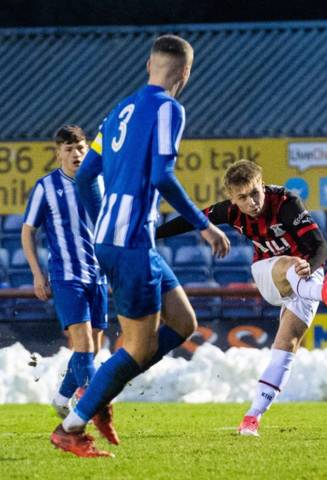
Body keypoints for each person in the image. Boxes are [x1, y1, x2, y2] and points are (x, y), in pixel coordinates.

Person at [50, 34, 230, 458]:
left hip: (122, 239)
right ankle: (72, 425)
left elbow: (85, 174)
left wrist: (104, 223)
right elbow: (162, 175)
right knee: (139, 348)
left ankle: (100, 389)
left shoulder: (117, 111)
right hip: (130, 242)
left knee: (183, 322)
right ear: (185, 72)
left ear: (149, 65)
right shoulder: (169, 108)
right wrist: (204, 224)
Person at [155, 159, 327, 437]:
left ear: (263, 185)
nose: (251, 202)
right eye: (242, 197)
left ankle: (252, 417)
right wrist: (152, 233)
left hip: (307, 273)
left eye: (255, 193)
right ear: (233, 198)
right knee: (289, 263)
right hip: (267, 271)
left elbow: (320, 246)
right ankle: (325, 292)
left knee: (287, 343)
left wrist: (313, 267)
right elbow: (191, 219)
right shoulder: (230, 211)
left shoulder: (286, 202)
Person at [21, 125, 108, 421]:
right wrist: (36, 273)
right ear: (58, 153)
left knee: (92, 349)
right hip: (67, 277)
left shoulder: (98, 184)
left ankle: (61, 398)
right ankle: (96, 408)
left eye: (81, 148)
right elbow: (27, 230)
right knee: (83, 347)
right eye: (69, 149)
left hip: (98, 276)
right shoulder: (46, 187)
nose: (76, 154)